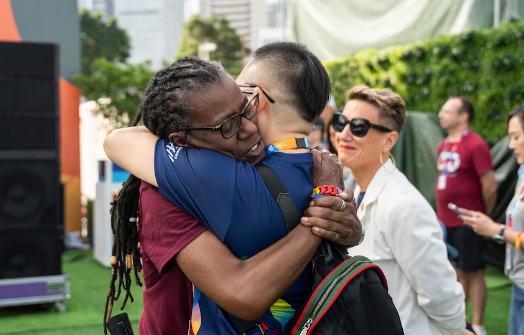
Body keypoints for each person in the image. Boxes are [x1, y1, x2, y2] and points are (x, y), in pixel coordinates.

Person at [105, 44, 363, 334]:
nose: (249, 128)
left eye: (245, 105)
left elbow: (118, 140)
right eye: (228, 123)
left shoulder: (230, 178)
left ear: (258, 99)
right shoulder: (318, 172)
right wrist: (325, 205)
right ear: (180, 140)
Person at [334, 85, 466, 334]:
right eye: (341, 122)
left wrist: (458, 330)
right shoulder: (355, 190)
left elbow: (440, 293)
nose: (344, 134)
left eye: (359, 126)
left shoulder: (403, 205)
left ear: (389, 140)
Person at [458, 105, 524, 335]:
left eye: (516, 137)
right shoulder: (522, 171)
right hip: (519, 281)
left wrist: (495, 229)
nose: (511, 145)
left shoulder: (475, 144)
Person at [436, 97, 497, 335]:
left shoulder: (476, 144)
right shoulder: (442, 145)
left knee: (473, 270)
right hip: (445, 221)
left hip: (469, 221)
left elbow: (490, 185)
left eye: (446, 110)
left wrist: (484, 216)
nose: (441, 114)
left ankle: (478, 325)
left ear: (462, 116)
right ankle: (460, 322)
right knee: (455, 271)